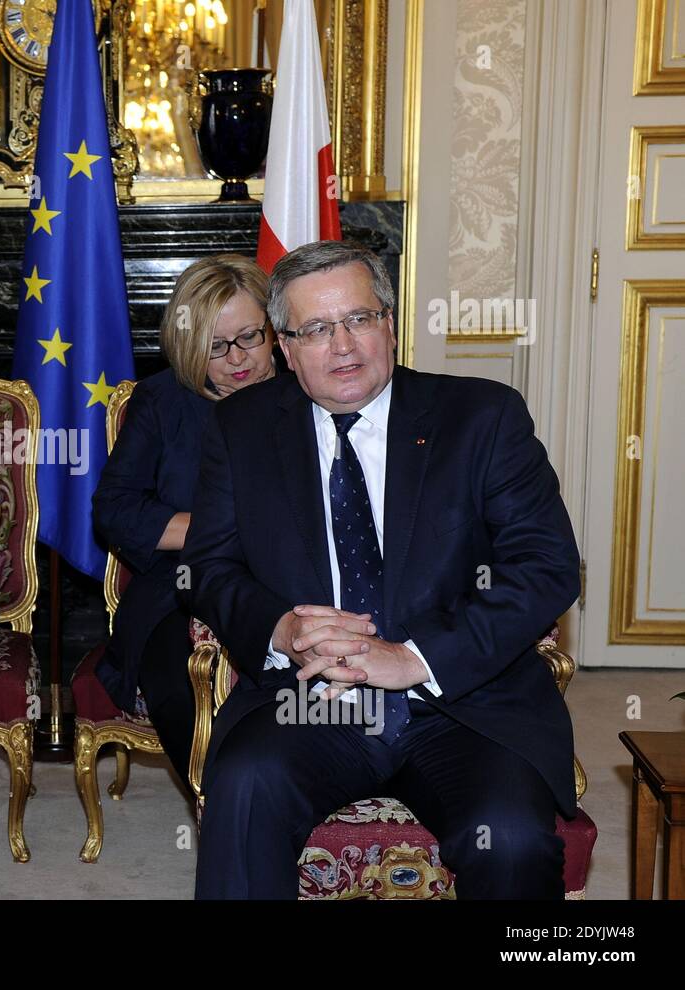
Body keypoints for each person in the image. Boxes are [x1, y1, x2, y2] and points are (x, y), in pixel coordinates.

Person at [183, 240, 580, 899]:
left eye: (360, 320)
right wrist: (280, 628)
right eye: (315, 329)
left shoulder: (482, 417)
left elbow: (545, 566)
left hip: (464, 705)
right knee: (245, 791)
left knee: (508, 839)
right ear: (283, 346)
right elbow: (208, 568)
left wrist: (416, 657)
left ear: (390, 324)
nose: (343, 347)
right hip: (310, 700)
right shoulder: (241, 429)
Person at [92, 254, 276, 789]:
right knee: (178, 687)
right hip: (180, 584)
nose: (237, 359)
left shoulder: (308, 393)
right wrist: (223, 531)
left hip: (290, 581)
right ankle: (223, 815)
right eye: (216, 346)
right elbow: (115, 508)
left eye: (250, 338)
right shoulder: (162, 401)